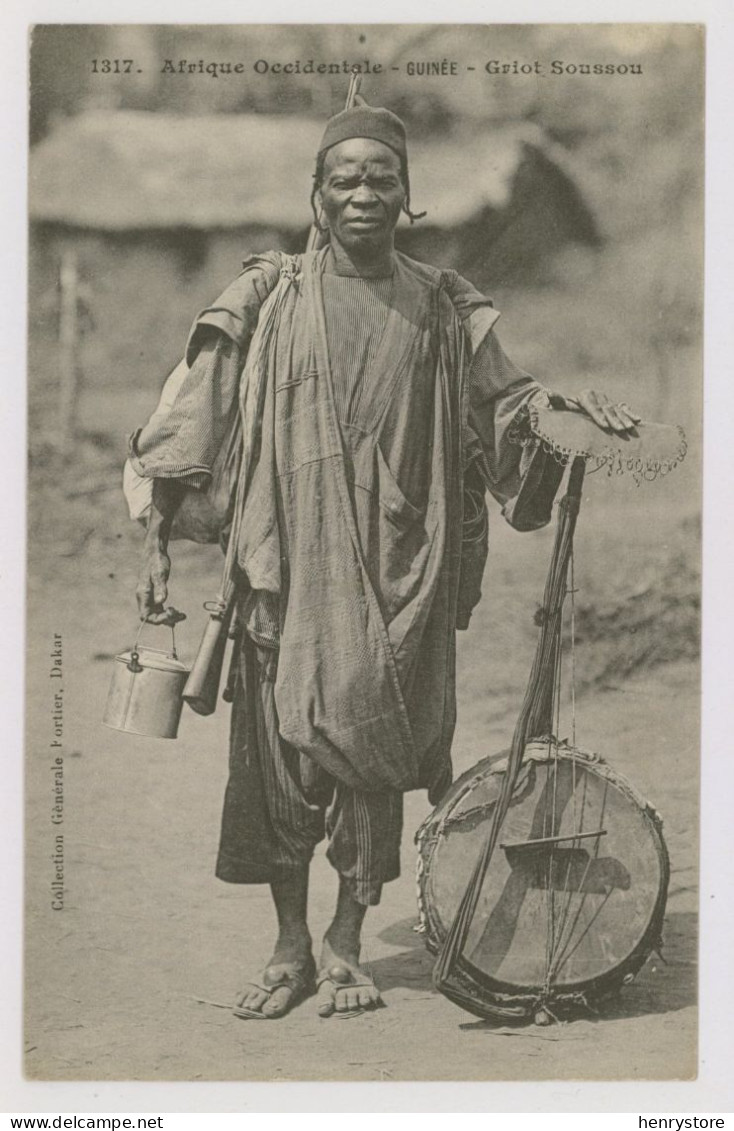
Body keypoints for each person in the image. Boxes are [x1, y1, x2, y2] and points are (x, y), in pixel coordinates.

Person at [129, 104, 639, 1020]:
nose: (364, 193)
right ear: (316, 194)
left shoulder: (445, 304)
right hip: (284, 568)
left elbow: (509, 405)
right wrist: (165, 507)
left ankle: (346, 943)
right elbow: (191, 407)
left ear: (408, 195)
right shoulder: (267, 295)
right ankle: (289, 947)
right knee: (279, 766)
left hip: (404, 571)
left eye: (383, 179)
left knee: (374, 770)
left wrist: (561, 425)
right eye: (345, 179)